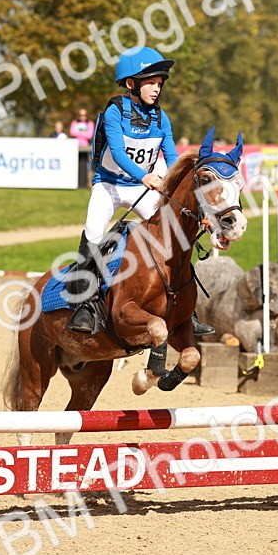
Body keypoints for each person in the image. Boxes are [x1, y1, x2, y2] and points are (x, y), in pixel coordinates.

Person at [65, 45, 213, 337]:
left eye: (159, 84)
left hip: (142, 188)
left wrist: (183, 190)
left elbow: (172, 159)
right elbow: (118, 154)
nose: (157, 89)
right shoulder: (114, 111)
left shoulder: (162, 118)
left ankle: (187, 310)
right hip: (109, 185)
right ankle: (83, 306)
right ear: (131, 83)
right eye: (150, 83)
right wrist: (145, 176)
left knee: (174, 235)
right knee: (93, 234)